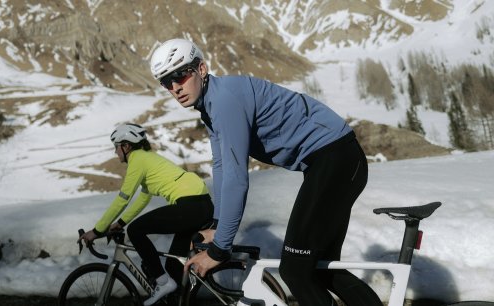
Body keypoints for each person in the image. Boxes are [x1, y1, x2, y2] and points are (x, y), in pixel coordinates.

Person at [148, 38, 380, 305]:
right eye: (167, 82)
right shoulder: (211, 107)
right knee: (319, 268)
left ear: (201, 69)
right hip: (334, 162)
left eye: (181, 75)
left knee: (295, 270)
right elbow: (222, 166)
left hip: (335, 160)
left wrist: (220, 249)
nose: (175, 87)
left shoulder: (224, 100)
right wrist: (217, 225)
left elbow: (236, 180)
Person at [80, 123, 214, 305]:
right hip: (199, 205)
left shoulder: (138, 159)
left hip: (190, 206)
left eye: (116, 147)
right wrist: (120, 223)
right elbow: (144, 197)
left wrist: (96, 231)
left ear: (126, 146)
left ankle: (162, 282)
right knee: (173, 266)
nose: (115, 152)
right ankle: (177, 298)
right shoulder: (148, 159)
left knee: (136, 230)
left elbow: (123, 199)